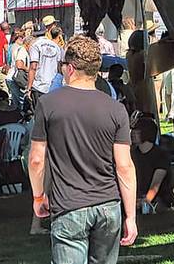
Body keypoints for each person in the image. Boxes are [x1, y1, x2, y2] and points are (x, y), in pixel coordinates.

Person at [28, 36, 137, 263]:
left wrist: (38, 196)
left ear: (69, 68)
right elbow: (124, 167)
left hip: (69, 206)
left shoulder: (48, 104)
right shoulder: (116, 109)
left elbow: (37, 159)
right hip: (108, 205)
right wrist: (131, 216)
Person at [131, 117, 174, 212]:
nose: (132, 134)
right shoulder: (132, 154)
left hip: (159, 197)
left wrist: (145, 201)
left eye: (137, 132)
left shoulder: (161, 155)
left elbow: (156, 184)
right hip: (137, 196)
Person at [25, 25, 64, 116]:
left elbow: (33, 67)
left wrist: (29, 88)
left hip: (39, 86)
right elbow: (59, 67)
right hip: (52, 86)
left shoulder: (34, 46)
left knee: (39, 115)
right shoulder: (56, 46)